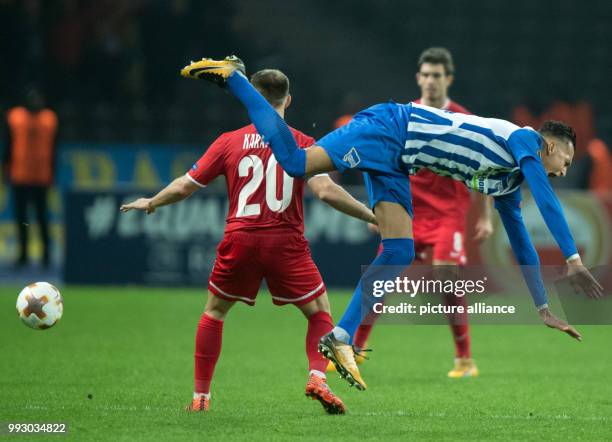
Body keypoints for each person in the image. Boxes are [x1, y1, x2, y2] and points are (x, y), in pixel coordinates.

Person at [180, 56, 603, 392]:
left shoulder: (507, 181)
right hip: (388, 127)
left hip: (400, 159)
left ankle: (341, 336)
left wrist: (543, 306)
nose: (564, 171)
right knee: (294, 162)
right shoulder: (525, 139)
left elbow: (521, 238)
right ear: (551, 146)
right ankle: (234, 77)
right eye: (565, 161)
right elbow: (547, 203)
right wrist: (572, 257)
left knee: (398, 250)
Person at [120, 69, 376, 414]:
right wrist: (371, 215)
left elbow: (185, 185)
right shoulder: (303, 143)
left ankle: (200, 397)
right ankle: (318, 376)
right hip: (285, 240)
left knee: (214, 311)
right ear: (288, 100)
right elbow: (327, 191)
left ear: (249, 100)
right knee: (319, 312)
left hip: (240, 238)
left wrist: (152, 201)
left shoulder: (229, 141)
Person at [347, 47, 493, 378]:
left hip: (448, 214)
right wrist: (379, 208)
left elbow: (482, 170)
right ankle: (355, 351)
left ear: (449, 79)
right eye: (425, 75)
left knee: (446, 276)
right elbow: (383, 161)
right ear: (418, 78)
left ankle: (465, 359)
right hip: (407, 211)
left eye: (436, 75)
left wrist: (484, 216)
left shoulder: (464, 120)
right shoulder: (405, 116)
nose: (430, 81)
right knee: (380, 279)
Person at [2, 87, 58, 268]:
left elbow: (55, 148)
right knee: (21, 218)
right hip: (20, 175)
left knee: (42, 218)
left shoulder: (49, 119)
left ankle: (46, 255)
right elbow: (8, 145)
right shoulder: (15, 117)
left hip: (41, 176)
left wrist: (53, 172)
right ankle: (23, 255)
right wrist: (6, 170)